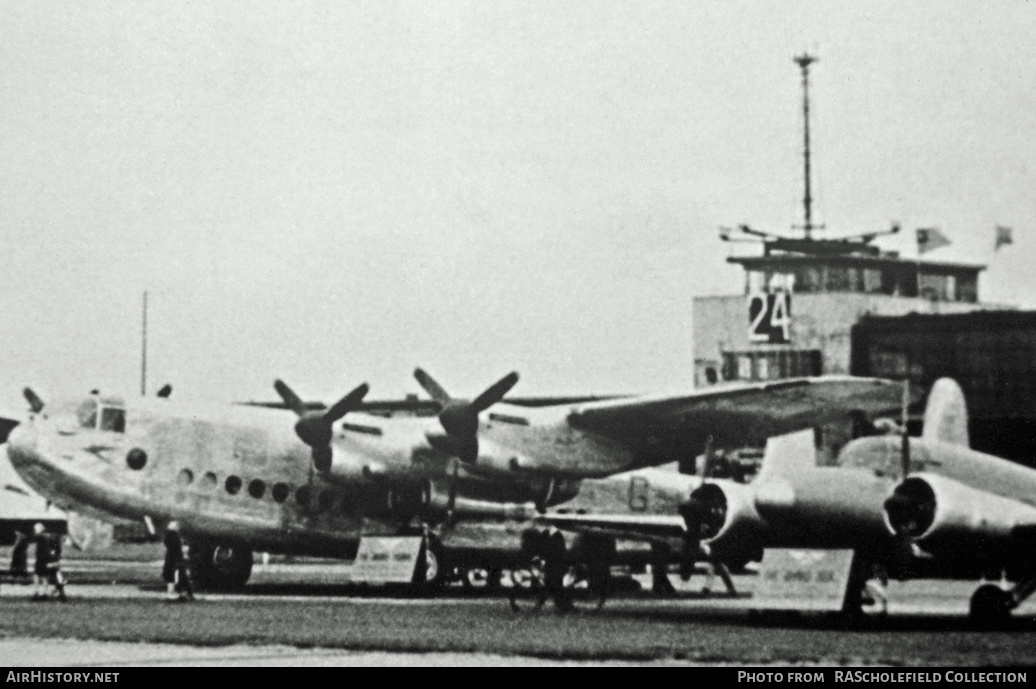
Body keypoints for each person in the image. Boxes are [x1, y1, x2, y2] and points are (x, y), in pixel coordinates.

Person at [32, 523, 66, 602]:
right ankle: (57, 594)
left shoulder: (42, 537)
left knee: (39, 575)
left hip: (42, 560)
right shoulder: (53, 538)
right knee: (50, 576)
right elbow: (57, 550)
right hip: (51, 560)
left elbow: (35, 538)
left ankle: (38, 593)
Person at [163, 521, 194, 601]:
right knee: (179, 577)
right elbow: (178, 549)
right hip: (177, 560)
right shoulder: (175, 537)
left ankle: (174, 593)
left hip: (171, 559)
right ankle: (183, 594)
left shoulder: (168, 537)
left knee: (172, 577)